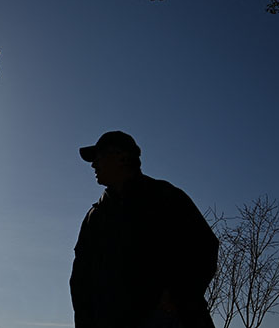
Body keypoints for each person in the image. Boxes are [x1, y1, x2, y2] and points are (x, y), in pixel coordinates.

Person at [70, 131, 218, 328]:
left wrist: (178, 294)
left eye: (99, 157)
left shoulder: (164, 197)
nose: (93, 164)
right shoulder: (94, 218)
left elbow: (204, 245)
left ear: (122, 157)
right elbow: (80, 279)